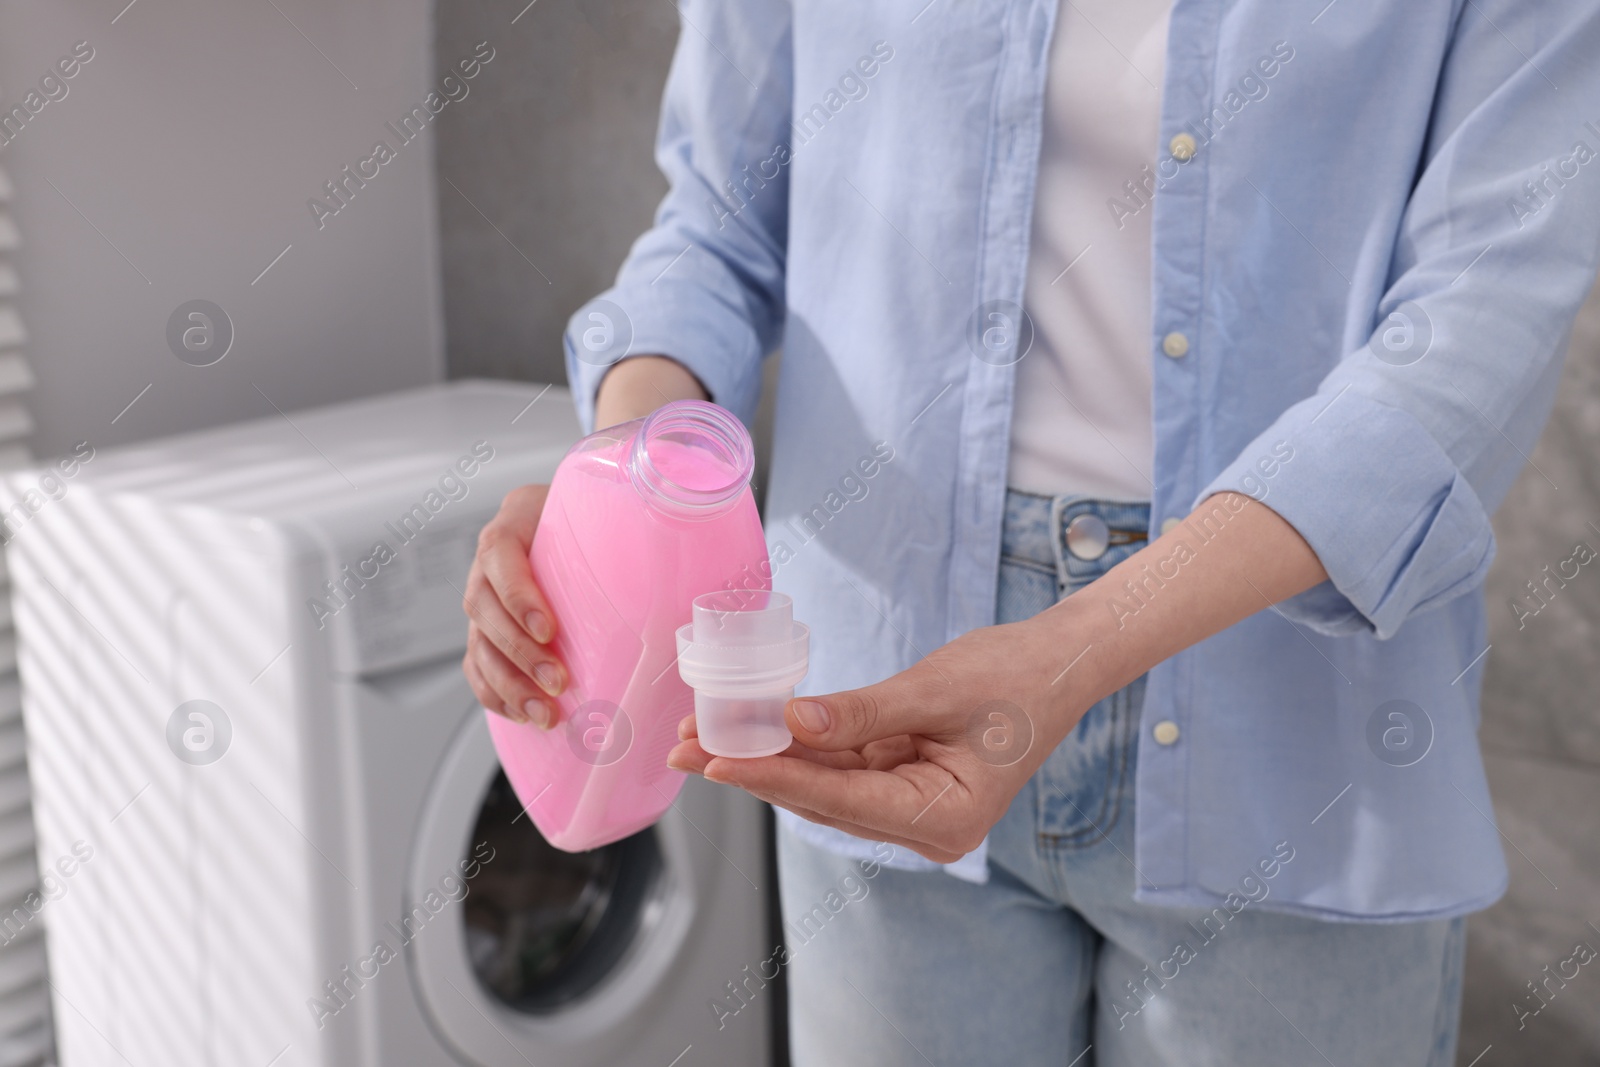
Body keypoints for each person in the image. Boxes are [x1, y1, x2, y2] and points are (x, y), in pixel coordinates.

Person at [462, 1, 1600, 1062]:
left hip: (1286, 718)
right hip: (875, 676)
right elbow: (717, 230)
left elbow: (1480, 311)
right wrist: (616, 486)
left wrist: (1074, 645)